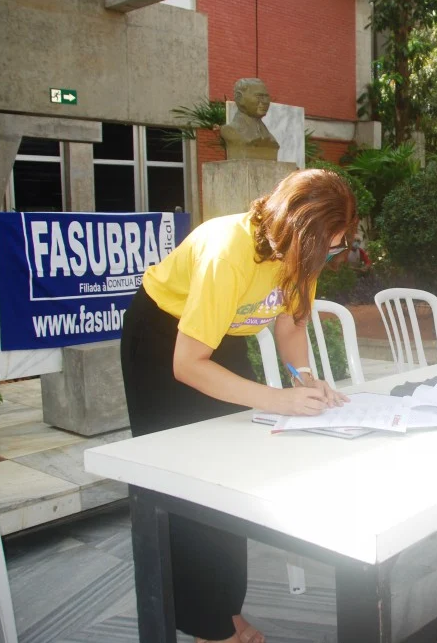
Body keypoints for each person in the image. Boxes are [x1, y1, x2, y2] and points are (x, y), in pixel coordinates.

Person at [120, 169, 357, 643]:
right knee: (183, 483)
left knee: (230, 476)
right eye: (324, 250)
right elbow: (187, 364)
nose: (327, 259)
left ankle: (224, 610)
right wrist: (277, 399)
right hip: (164, 341)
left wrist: (305, 379)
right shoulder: (226, 251)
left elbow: (290, 324)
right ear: (293, 231)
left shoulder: (303, 251)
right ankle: (206, 626)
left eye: (335, 250)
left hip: (220, 337)